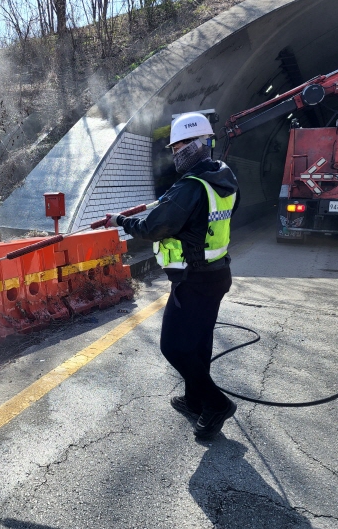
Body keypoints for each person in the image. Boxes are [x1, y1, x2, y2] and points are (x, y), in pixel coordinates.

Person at [105, 112, 239, 440]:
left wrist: (120, 220)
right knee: (199, 341)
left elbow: (153, 227)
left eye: (178, 145)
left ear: (194, 144)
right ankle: (195, 400)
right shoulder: (223, 176)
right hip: (218, 273)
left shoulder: (190, 188)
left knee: (174, 348)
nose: (175, 152)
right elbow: (210, 216)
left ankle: (216, 403)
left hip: (194, 280)